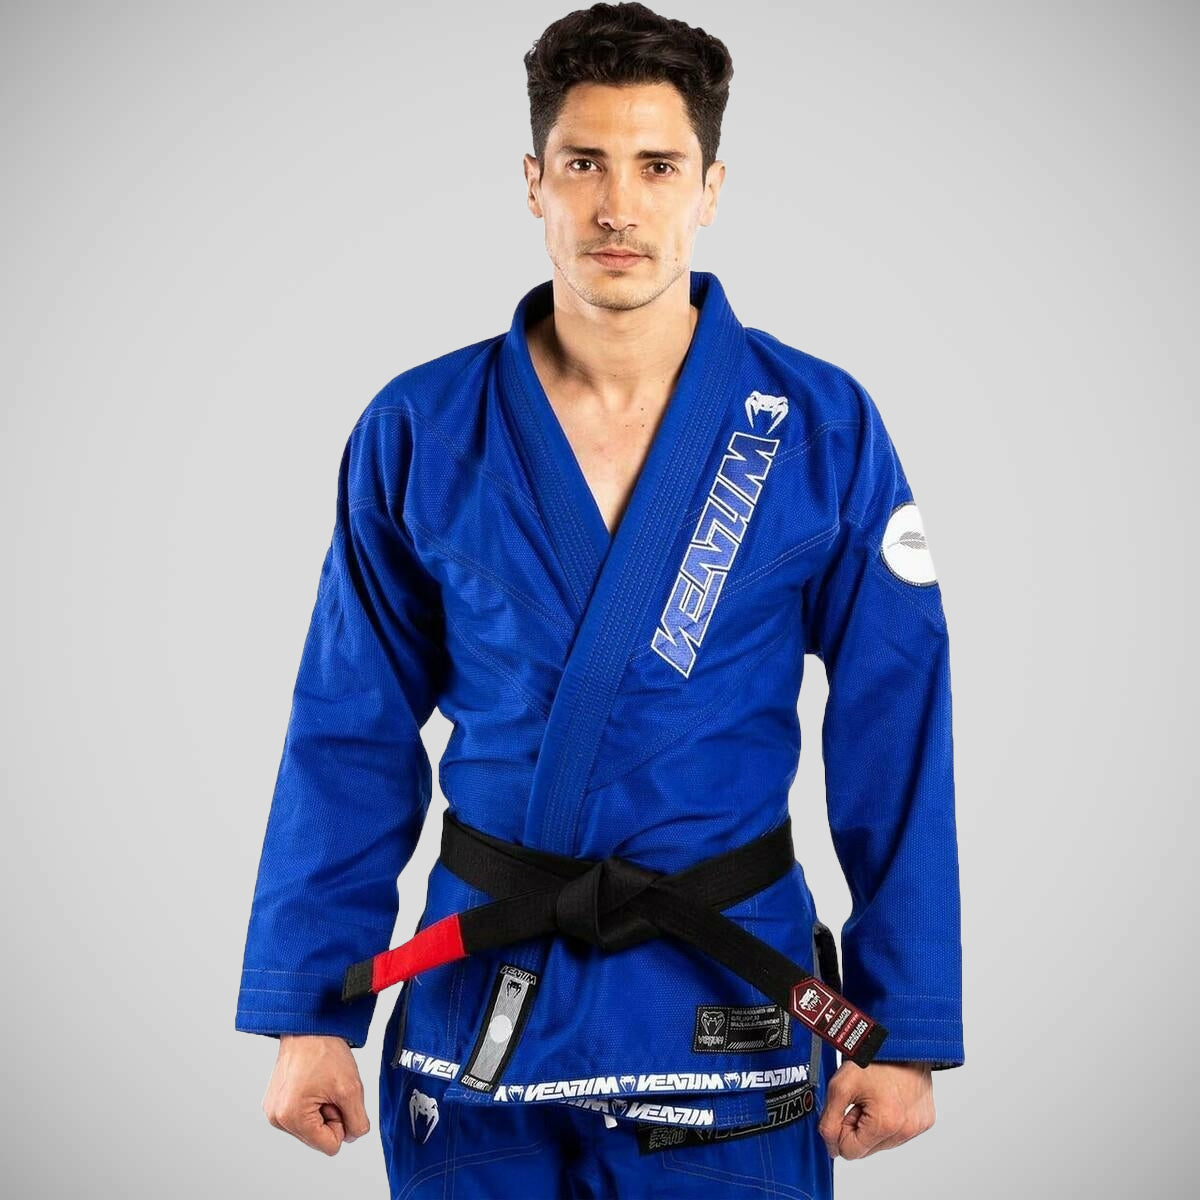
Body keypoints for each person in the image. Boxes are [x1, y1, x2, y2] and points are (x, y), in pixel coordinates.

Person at [234, 4, 964, 1196]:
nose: (618, 205)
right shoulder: (422, 430)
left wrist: (906, 1023)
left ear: (711, 188)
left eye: (657, 166)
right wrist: (311, 1011)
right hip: (483, 1015)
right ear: (534, 181)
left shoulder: (817, 428)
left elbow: (898, 723)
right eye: (584, 163)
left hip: (725, 1013)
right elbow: (347, 730)